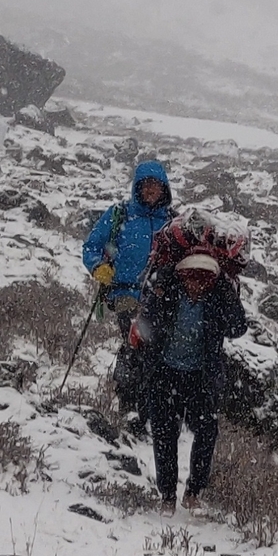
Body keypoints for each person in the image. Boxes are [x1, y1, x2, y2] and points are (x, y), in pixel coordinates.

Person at [125, 242, 247, 508]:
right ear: (182, 275)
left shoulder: (217, 298)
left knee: (206, 433)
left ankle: (193, 491)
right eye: (191, 278)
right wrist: (158, 292)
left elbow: (238, 328)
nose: (196, 285)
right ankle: (168, 495)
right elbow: (146, 323)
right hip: (164, 374)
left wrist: (227, 293)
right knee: (164, 435)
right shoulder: (167, 290)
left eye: (203, 280)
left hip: (200, 378)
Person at [79, 159, 175, 415]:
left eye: (156, 185)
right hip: (125, 293)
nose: (151, 190)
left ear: (164, 188)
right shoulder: (120, 214)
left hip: (161, 297)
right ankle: (132, 404)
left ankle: (145, 404)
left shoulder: (172, 222)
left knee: (155, 349)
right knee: (138, 342)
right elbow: (91, 246)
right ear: (137, 187)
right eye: (146, 185)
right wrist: (98, 267)